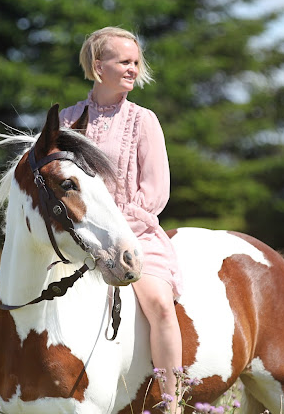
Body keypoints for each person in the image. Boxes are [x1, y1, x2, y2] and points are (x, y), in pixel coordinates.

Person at [59, 26, 183, 413]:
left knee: (160, 304)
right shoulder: (66, 119)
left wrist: (118, 222)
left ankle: (171, 399)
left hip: (135, 234)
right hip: (79, 235)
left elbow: (157, 190)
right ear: (99, 66)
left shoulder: (144, 120)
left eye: (136, 62)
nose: (133, 69)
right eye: (124, 62)